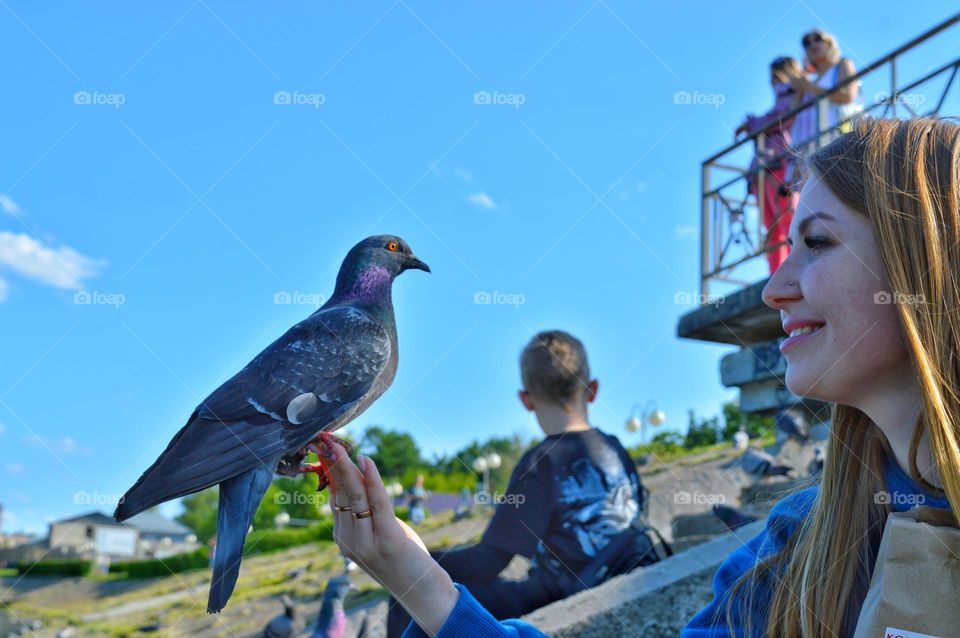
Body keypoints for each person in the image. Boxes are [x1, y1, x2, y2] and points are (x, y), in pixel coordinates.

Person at [324, 117, 958, 636]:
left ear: (924, 264)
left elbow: (493, 557)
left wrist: (420, 575)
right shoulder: (800, 542)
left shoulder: (545, 463)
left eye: (817, 242)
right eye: (785, 248)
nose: (773, 288)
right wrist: (415, 577)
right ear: (592, 391)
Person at [735, 56, 804, 273]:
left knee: (785, 219)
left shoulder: (792, 92)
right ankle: (780, 272)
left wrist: (754, 124)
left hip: (779, 164)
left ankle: (795, 266)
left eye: (778, 75)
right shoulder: (783, 96)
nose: (774, 82)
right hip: (765, 168)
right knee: (774, 226)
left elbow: (785, 116)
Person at [783, 28, 861, 190]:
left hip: (836, 143)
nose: (812, 44)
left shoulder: (842, 65)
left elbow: (847, 95)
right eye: (807, 43)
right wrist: (800, 87)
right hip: (807, 153)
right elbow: (791, 114)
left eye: (818, 39)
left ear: (830, 43)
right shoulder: (806, 82)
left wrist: (809, 86)